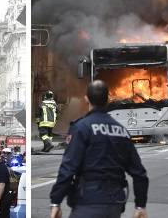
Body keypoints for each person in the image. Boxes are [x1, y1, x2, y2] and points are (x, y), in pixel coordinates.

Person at [49, 80, 148, 218]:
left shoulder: (81, 128)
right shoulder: (121, 130)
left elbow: (68, 168)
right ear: (108, 100)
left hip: (87, 203)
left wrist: (56, 202)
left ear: (86, 99)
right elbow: (139, 173)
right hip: (115, 204)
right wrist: (140, 206)